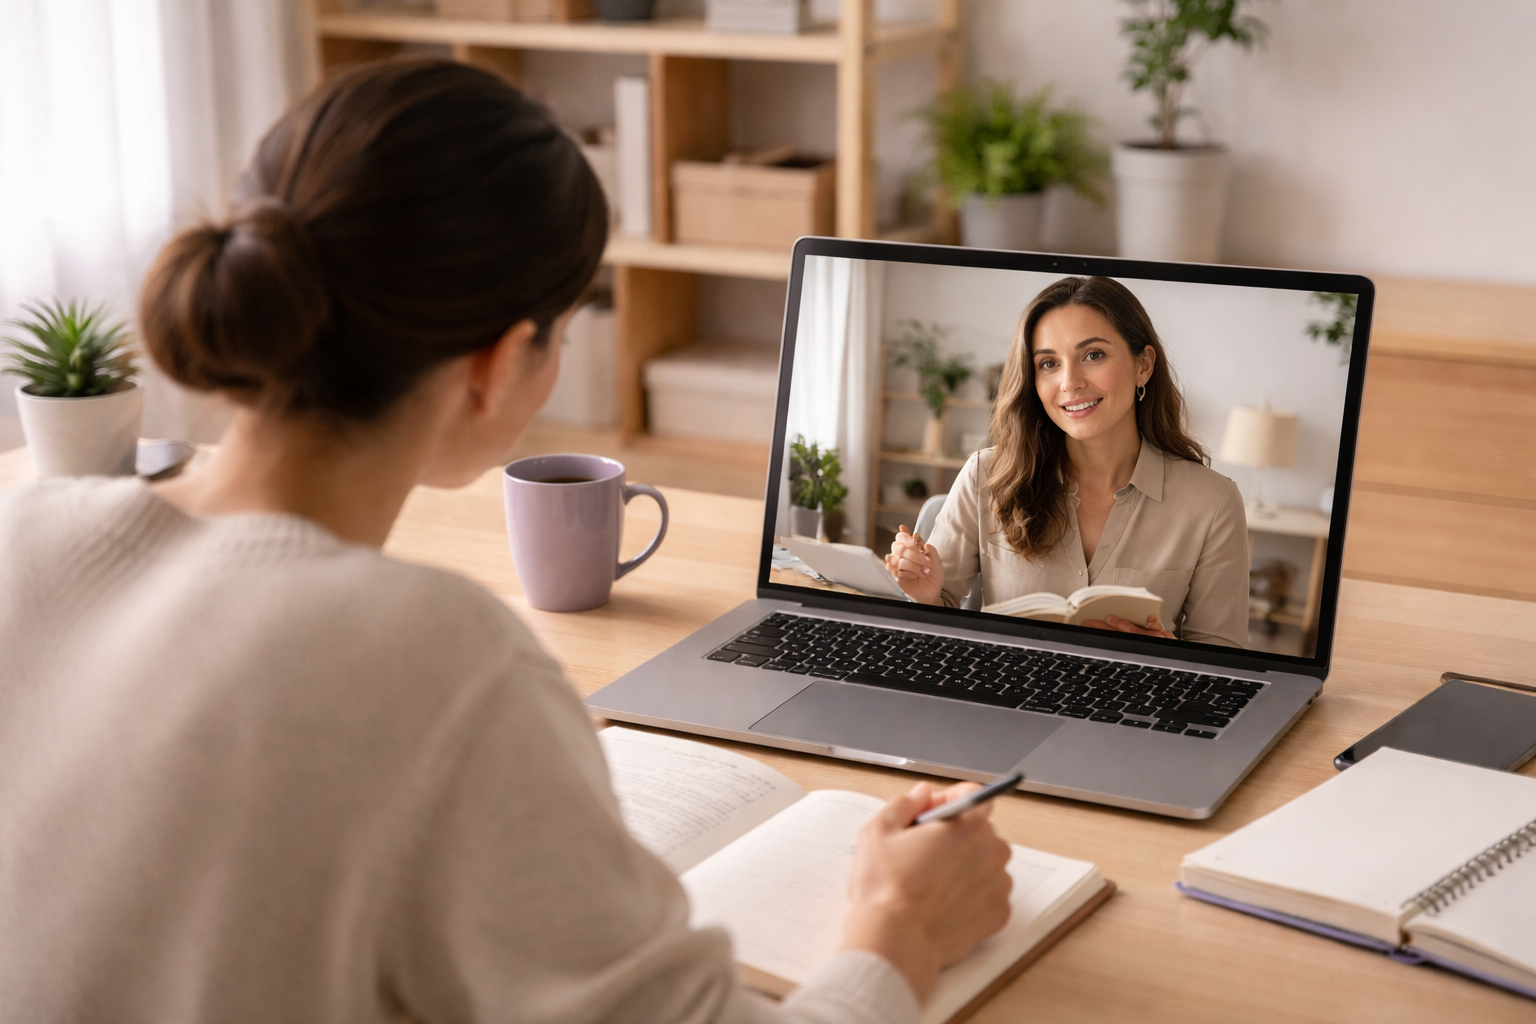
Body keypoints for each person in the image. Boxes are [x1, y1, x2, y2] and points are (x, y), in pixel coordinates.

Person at [0, 60, 1012, 1022]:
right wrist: (898, 923)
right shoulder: (433, 659)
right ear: (495, 365)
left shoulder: (27, 526)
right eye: (569, 326)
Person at [887, 276, 1250, 648]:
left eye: (1093, 355)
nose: (1069, 382)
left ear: (1143, 365)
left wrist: (1167, 650)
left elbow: (1225, 660)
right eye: (1048, 363)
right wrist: (924, 593)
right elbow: (934, 618)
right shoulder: (985, 475)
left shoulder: (1213, 503)